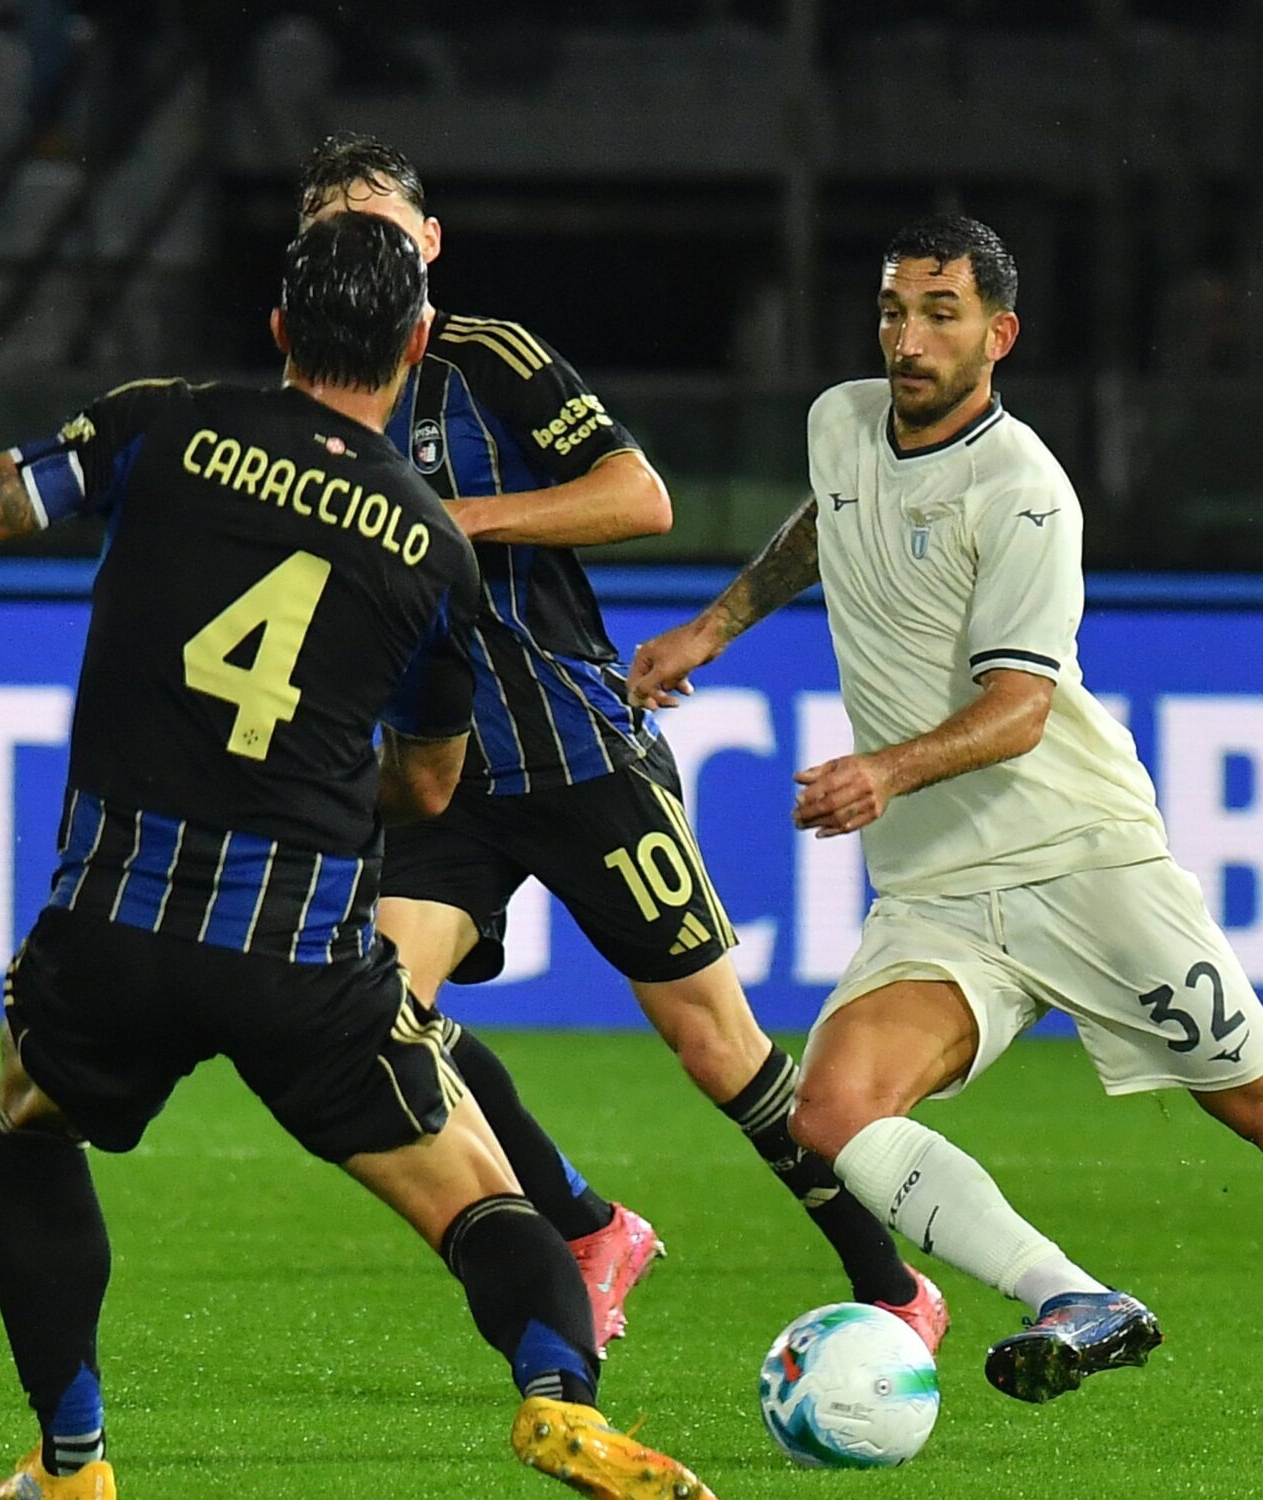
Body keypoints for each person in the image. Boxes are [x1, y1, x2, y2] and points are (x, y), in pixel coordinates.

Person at [0, 215, 732, 1500]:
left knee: (33, 1118)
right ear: (416, 345)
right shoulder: (431, 544)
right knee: (481, 1198)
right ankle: (559, 1395)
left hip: (113, 917)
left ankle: (72, 1457)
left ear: (283, 328)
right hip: (299, 946)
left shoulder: (161, 426)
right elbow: (425, 785)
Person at [630, 214, 1263, 1438]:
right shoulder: (840, 421)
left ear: (999, 333)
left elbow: (1020, 708)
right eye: (891, 311)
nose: (908, 339)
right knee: (832, 1110)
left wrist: (884, 768)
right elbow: (825, 519)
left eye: (939, 314)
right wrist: (713, 629)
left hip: (1079, 860)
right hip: (937, 887)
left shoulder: (1024, 490)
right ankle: (1073, 1295)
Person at [297, 135, 948, 1353]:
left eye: (380, 225)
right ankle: (587, 1224)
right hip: (442, 777)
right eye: (334, 228)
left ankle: (893, 1283)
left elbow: (636, 495)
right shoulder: (312, 399)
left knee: (719, 1048)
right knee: (379, 1016)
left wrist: (448, 519)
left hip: (580, 751)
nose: (361, 247)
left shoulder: (491, 360)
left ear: (426, 247)